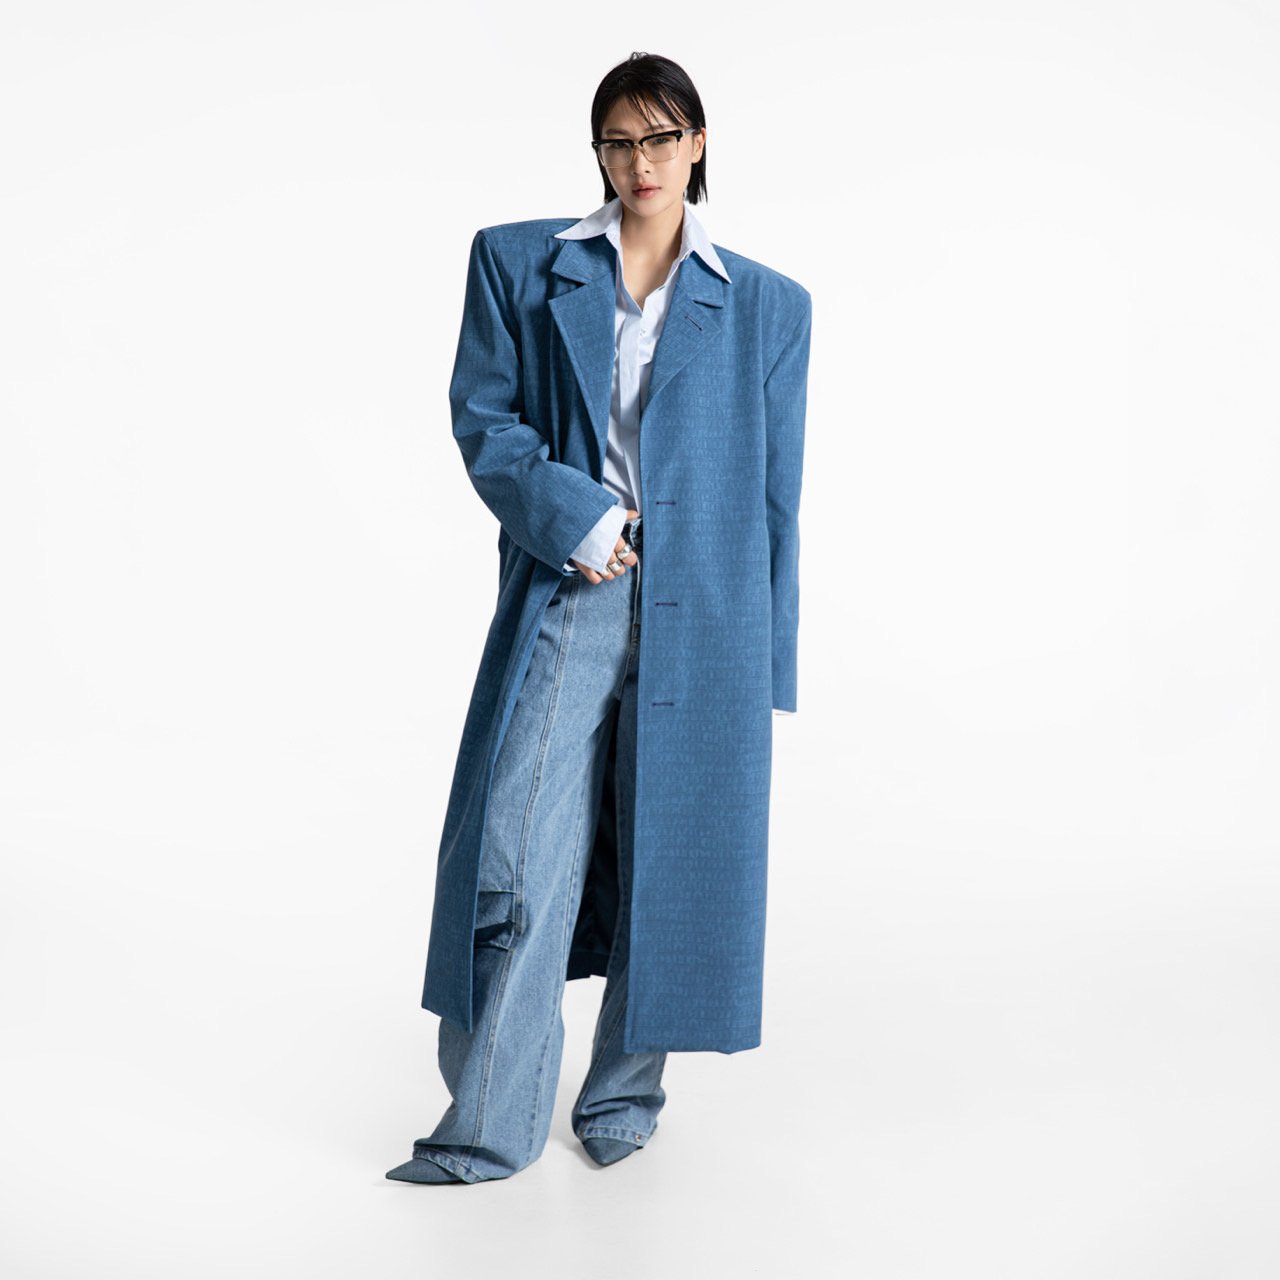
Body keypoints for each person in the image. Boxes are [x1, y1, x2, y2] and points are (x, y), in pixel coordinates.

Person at [386, 51, 812, 1185]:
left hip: (708, 617)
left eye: (661, 138)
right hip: (574, 585)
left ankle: (623, 1098)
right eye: (619, 142)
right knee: (515, 853)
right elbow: (484, 421)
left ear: (698, 144)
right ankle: (489, 1122)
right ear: (599, 152)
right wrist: (576, 518)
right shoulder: (518, 262)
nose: (640, 162)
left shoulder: (768, 305)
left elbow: (777, 495)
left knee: (671, 860)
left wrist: (767, 666)